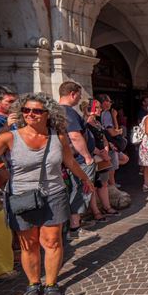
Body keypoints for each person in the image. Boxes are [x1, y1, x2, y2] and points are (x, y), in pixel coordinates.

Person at [0, 93, 94, 295]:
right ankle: (33, 283)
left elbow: (69, 161)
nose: (31, 114)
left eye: (37, 110)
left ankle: (51, 283)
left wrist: (85, 178)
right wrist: (5, 128)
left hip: (54, 194)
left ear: (48, 113)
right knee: (29, 245)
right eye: (26, 110)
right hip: (22, 196)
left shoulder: (57, 136)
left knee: (52, 241)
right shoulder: (10, 137)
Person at [58, 82, 98, 242]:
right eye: (79, 95)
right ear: (72, 94)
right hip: (78, 160)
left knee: (77, 189)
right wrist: (87, 156)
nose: (80, 98)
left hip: (69, 159)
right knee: (82, 189)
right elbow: (74, 136)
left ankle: (74, 223)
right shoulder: (67, 112)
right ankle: (74, 228)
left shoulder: (57, 111)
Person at [81, 99, 120, 222]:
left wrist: (106, 149)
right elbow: (84, 143)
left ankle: (107, 207)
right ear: (89, 109)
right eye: (97, 107)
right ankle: (96, 212)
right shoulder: (85, 124)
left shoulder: (97, 122)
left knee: (103, 182)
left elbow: (103, 137)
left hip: (103, 156)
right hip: (92, 157)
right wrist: (100, 152)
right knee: (92, 185)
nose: (100, 109)